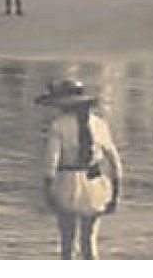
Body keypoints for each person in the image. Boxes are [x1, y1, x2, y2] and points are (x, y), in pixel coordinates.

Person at [36, 79, 122, 260]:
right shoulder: (99, 124)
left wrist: (48, 192)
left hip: (68, 184)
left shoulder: (59, 125)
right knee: (89, 239)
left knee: (67, 242)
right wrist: (115, 193)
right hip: (95, 183)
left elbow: (50, 165)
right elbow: (114, 160)